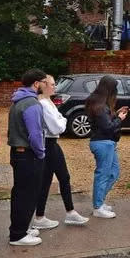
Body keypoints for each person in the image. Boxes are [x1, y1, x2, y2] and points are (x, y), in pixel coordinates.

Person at [34, 75, 88, 228]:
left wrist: (61, 121)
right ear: (43, 85)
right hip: (49, 143)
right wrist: (61, 121)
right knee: (52, 180)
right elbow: (58, 127)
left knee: (60, 178)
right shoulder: (44, 104)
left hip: (52, 143)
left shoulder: (48, 102)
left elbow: (61, 121)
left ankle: (67, 212)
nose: (55, 87)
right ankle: (42, 216)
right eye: (52, 84)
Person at [8, 68, 48, 246]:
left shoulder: (18, 100)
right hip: (28, 155)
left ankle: (21, 228)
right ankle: (18, 235)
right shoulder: (32, 103)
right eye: (45, 82)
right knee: (28, 194)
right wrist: (41, 153)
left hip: (18, 152)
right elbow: (35, 134)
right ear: (36, 83)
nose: (46, 86)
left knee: (20, 193)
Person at [87, 76, 128, 219]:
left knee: (114, 173)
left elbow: (105, 122)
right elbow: (108, 127)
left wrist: (116, 114)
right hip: (103, 143)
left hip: (106, 142)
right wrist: (119, 119)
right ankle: (98, 207)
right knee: (103, 175)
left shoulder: (99, 104)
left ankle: (99, 201)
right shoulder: (99, 106)